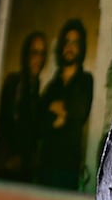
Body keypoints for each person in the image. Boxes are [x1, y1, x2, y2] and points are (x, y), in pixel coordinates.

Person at [36, 19, 94, 190]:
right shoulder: (52, 86)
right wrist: (56, 119)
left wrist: (57, 110)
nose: (70, 46)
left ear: (81, 47)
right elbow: (39, 124)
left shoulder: (86, 80)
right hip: (44, 164)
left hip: (68, 167)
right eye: (67, 41)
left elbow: (80, 112)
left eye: (75, 42)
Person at [0, 31, 48, 181]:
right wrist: (7, 159)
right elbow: (4, 123)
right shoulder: (14, 83)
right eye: (34, 52)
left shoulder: (36, 90)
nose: (38, 59)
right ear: (26, 55)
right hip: (7, 167)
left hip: (25, 169)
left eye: (42, 54)